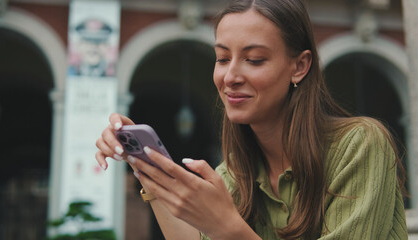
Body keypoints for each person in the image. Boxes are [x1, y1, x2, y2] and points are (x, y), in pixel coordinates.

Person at [95, 0, 408, 239]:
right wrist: (145, 167)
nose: (230, 76)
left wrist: (229, 228)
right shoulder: (235, 173)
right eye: (221, 58)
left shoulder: (361, 146)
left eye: (254, 60)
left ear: (300, 66)